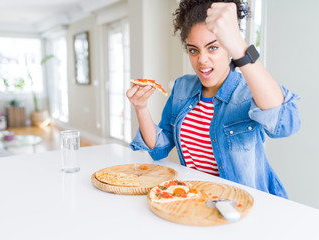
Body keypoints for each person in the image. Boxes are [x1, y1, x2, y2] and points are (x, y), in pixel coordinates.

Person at [126, 0, 300, 198]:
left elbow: (286, 125)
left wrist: (239, 45)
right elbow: (159, 148)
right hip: (198, 201)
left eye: (213, 48)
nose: (202, 60)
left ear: (229, 48)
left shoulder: (248, 90)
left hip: (249, 205)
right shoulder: (182, 88)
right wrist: (141, 108)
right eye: (194, 50)